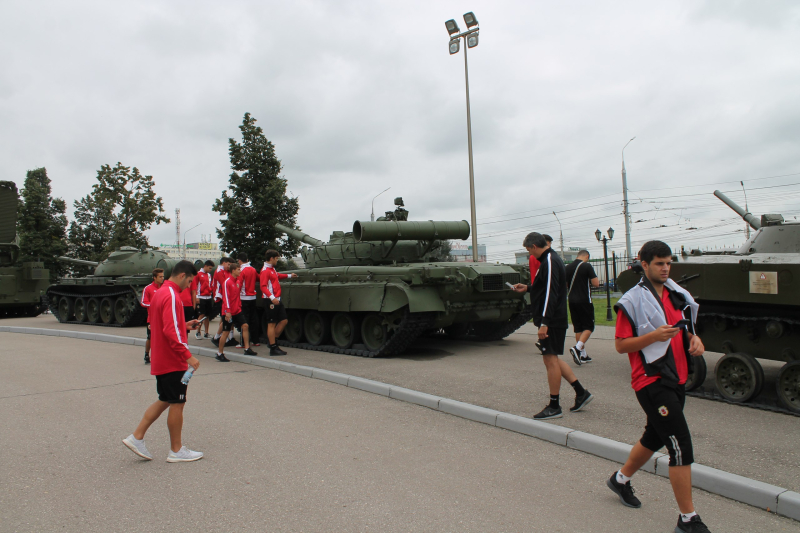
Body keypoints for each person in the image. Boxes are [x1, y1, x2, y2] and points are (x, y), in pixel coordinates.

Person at [607, 241, 710, 533]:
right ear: (643, 263)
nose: (665, 268)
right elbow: (620, 345)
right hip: (651, 381)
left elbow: (685, 327)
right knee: (680, 446)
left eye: (668, 263)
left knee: (654, 437)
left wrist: (695, 339)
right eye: (659, 263)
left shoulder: (677, 294)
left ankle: (620, 480)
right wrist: (652, 336)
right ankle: (688, 520)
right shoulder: (633, 300)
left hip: (676, 378)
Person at [122, 260, 204, 463]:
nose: (190, 286)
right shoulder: (172, 295)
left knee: (166, 399)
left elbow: (166, 325)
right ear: (183, 275)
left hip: (162, 358)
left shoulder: (161, 292)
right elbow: (170, 331)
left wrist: (185, 325)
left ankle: (137, 437)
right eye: (190, 280)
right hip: (172, 360)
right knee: (177, 402)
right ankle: (176, 450)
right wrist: (188, 356)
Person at [513, 232, 592, 419]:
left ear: (534, 246)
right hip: (554, 319)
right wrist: (528, 287)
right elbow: (547, 287)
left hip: (552, 321)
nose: (530, 255)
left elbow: (551, 293)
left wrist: (545, 323)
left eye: (529, 251)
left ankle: (554, 405)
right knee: (553, 358)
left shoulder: (548, 261)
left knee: (549, 360)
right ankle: (581, 393)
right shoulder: (552, 259)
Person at [565, 250, 600, 365]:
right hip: (584, 300)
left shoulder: (568, 267)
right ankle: (577, 348)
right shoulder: (586, 266)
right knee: (589, 326)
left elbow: (565, 285)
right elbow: (596, 283)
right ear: (587, 256)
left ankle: (583, 354)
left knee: (578, 327)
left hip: (571, 300)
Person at [260, 249, 298, 356]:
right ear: (271, 258)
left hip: (276, 299)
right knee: (271, 324)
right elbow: (263, 287)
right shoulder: (265, 271)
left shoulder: (272, 269)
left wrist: (290, 276)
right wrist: (272, 298)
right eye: (276, 258)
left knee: (284, 320)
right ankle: (273, 347)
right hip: (270, 300)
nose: (277, 260)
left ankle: (272, 341)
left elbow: (278, 276)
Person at [216, 262, 257, 361]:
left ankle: (247, 348)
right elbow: (225, 298)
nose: (240, 271)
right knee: (225, 332)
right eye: (239, 269)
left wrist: (239, 306)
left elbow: (237, 296)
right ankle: (219, 353)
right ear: (233, 270)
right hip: (228, 311)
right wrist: (228, 311)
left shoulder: (238, 281)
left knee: (245, 326)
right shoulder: (227, 282)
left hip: (237, 310)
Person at [210, 257, 238, 348]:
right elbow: (225, 284)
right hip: (220, 298)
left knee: (229, 319)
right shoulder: (219, 272)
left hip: (226, 298)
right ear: (224, 263)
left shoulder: (225, 271)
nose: (229, 267)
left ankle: (229, 337)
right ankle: (217, 337)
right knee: (225, 319)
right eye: (228, 264)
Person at [141, 268, 164, 365]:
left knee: (163, 338)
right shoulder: (148, 288)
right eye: (160, 277)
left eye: (163, 276)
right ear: (154, 278)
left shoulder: (164, 288)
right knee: (150, 337)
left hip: (163, 318)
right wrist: (154, 305)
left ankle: (160, 356)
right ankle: (147, 354)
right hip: (152, 319)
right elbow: (143, 302)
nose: (162, 278)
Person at [236, 252, 260, 347]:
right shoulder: (253, 269)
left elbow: (239, 284)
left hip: (243, 297)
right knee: (253, 319)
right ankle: (255, 340)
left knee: (244, 320)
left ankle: (243, 342)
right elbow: (258, 278)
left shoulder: (241, 270)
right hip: (252, 297)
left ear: (240, 261)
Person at [192, 260, 215, 339]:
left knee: (207, 316)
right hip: (201, 297)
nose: (210, 270)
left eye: (211, 268)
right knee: (201, 315)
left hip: (208, 296)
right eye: (209, 268)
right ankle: (198, 332)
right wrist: (197, 296)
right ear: (205, 266)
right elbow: (195, 286)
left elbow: (210, 285)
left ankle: (206, 332)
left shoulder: (209, 275)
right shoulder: (198, 274)